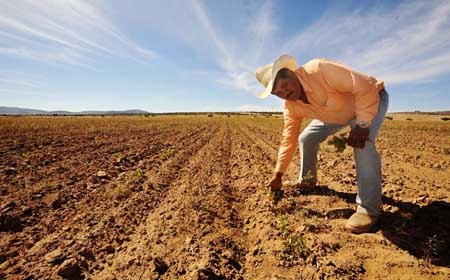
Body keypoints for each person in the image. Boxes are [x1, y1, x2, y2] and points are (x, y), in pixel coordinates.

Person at [255, 55, 389, 234]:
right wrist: (278, 174)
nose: (285, 94)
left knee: (361, 144)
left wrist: (362, 124)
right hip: (336, 113)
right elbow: (289, 139)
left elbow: (364, 87)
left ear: (290, 73)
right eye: (278, 93)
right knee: (306, 138)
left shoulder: (320, 69)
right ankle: (307, 180)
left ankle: (368, 210)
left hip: (369, 100)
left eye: (285, 86)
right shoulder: (291, 106)